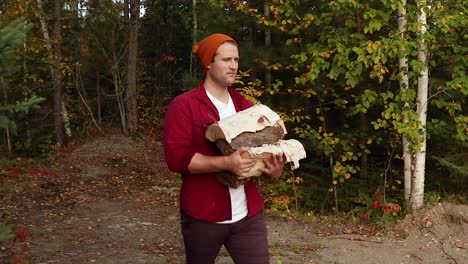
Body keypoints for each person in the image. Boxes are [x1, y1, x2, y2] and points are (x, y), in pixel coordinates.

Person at [163, 33, 285, 264]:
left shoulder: (245, 107)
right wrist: (226, 163)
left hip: (248, 215)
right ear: (209, 63)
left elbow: (261, 153)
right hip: (203, 215)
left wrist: (273, 171)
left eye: (236, 60)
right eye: (226, 60)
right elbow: (176, 158)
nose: (233, 66)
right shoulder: (184, 106)